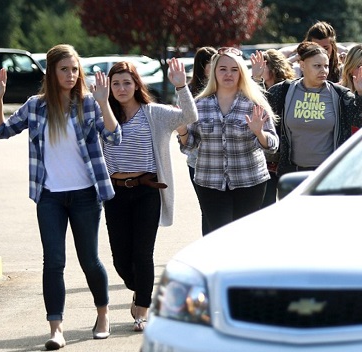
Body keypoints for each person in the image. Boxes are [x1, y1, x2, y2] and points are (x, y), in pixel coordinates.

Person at [0, 44, 119, 350]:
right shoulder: (36, 106)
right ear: (51, 72)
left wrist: (104, 104)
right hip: (49, 196)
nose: (71, 75)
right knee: (54, 262)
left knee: (90, 260)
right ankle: (56, 328)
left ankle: (102, 316)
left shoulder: (88, 103)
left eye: (75, 69)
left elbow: (114, 136)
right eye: (64, 69)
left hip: (86, 195)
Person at [102, 58, 197, 332]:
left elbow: (188, 117)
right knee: (121, 258)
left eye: (127, 83)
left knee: (143, 253)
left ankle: (143, 309)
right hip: (115, 193)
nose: (121, 88)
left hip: (147, 191)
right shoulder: (103, 114)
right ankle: (140, 289)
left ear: (136, 85)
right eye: (116, 83)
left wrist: (181, 86)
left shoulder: (153, 113)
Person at [177, 47, 278, 233]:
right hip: (210, 182)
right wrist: (183, 131)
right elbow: (190, 145)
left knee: (242, 235)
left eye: (234, 69)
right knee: (220, 233)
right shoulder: (200, 104)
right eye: (222, 69)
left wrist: (259, 133)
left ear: (242, 73)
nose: (228, 74)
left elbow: (272, 145)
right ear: (213, 72)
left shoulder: (254, 103)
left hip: (250, 181)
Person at [266, 41, 362, 177]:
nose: (323, 71)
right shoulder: (283, 91)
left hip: (329, 174)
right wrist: (257, 79)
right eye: (317, 66)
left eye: (326, 66)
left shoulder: (340, 94)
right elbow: (257, 108)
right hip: (292, 172)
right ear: (302, 65)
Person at [250, 49, 297, 207]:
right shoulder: (254, 89)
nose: (259, 68)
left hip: (287, 156)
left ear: (274, 67)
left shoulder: (289, 88)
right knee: (265, 205)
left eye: (263, 65)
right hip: (266, 158)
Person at [186, 46, 217, 235]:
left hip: (218, 158)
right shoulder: (189, 91)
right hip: (197, 159)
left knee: (216, 209)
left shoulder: (221, 86)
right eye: (212, 64)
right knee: (207, 209)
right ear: (203, 66)